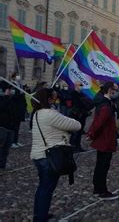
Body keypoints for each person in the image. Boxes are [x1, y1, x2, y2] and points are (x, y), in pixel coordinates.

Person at [31, 88, 81, 221]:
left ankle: (39, 213)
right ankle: (40, 218)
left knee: (43, 187)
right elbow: (76, 125)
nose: (56, 99)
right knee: (47, 188)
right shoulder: (50, 114)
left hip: (39, 155)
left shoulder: (37, 113)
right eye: (54, 97)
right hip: (49, 156)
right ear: (48, 100)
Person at [87, 82, 119, 200]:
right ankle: (102, 190)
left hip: (104, 138)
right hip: (105, 138)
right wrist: (91, 133)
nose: (117, 92)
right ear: (110, 90)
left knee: (100, 164)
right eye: (115, 89)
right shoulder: (106, 105)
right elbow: (99, 122)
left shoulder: (105, 103)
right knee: (103, 165)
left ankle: (97, 188)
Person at [69, 83, 93, 153]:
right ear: (76, 86)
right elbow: (76, 104)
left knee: (79, 132)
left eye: (82, 85)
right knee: (75, 132)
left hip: (83, 115)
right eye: (80, 85)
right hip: (76, 115)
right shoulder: (73, 94)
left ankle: (78, 147)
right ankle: (73, 147)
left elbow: (86, 103)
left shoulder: (82, 94)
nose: (81, 87)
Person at [10, 73, 26, 149]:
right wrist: (20, 93)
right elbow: (12, 95)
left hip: (19, 108)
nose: (18, 77)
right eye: (17, 75)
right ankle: (12, 142)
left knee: (17, 126)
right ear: (13, 77)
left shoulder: (20, 85)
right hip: (14, 108)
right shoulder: (12, 84)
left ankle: (15, 141)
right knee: (13, 126)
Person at [0, 82, 14, 170]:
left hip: (10, 127)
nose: (11, 91)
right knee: (1, 148)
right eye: (9, 89)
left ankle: (2, 165)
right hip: (1, 126)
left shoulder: (10, 98)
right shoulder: (3, 98)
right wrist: (5, 97)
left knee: (6, 149)